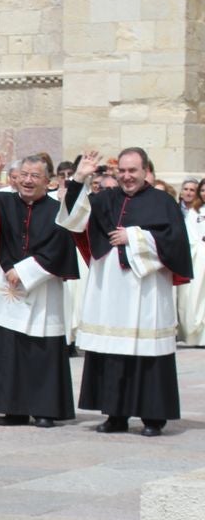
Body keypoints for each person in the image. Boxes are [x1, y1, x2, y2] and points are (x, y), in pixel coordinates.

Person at [58, 149, 193, 436]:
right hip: (111, 289)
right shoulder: (105, 198)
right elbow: (74, 218)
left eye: (133, 170)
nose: (127, 176)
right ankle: (115, 415)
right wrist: (80, 178)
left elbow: (176, 243)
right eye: (122, 170)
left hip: (146, 291)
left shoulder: (162, 201)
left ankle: (153, 418)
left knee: (147, 353)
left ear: (146, 171)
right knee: (112, 351)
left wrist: (132, 236)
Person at [0, 155, 82, 427]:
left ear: (48, 181)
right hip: (4, 287)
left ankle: (45, 409)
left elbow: (61, 245)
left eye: (35, 176)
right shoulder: (3, 201)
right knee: (7, 349)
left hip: (41, 287)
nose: (28, 180)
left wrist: (26, 271)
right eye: (24, 175)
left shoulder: (57, 209)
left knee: (39, 349)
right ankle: (11, 409)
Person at [178, 179, 205, 346]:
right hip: (198, 258)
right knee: (195, 296)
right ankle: (196, 335)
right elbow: (189, 236)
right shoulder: (195, 212)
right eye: (202, 190)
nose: (204, 193)